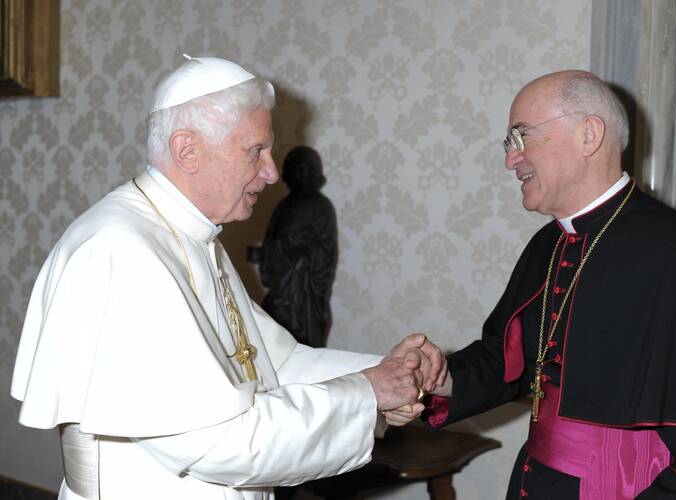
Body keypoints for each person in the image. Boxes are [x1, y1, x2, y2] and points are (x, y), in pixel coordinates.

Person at [10, 55, 444, 500]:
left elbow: (273, 363)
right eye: (255, 151)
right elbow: (219, 442)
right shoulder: (121, 251)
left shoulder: (191, 236)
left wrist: (384, 373)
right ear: (187, 149)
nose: (273, 172)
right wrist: (368, 393)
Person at [422, 70, 676, 499]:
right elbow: (511, 359)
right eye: (508, 144)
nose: (510, 159)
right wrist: (441, 377)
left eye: (519, 137)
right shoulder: (549, 243)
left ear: (588, 135)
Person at [248, 145, 337, 348]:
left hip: (305, 294)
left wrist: (299, 247)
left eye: (303, 169)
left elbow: (325, 254)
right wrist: (266, 252)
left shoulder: (321, 207)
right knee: (274, 342)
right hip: (282, 289)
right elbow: (272, 242)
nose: (297, 175)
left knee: (305, 346)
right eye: (294, 169)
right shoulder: (283, 206)